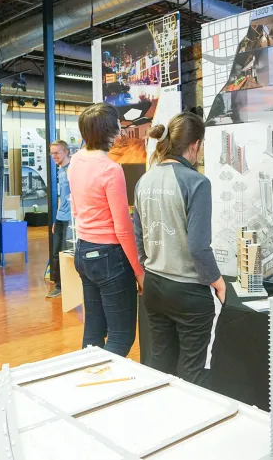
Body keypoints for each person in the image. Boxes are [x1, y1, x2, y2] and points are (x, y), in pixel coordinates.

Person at [133, 113, 226, 387]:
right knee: (194, 371)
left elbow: (139, 236)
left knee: (159, 363)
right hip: (188, 292)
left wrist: (145, 270)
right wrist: (217, 281)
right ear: (195, 144)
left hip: (155, 286)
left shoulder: (144, 180)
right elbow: (198, 246)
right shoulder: (197, 182)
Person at [68, 103, 144, 356]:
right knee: (121, 337)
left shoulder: (75, 161)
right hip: (110, 256)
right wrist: (139, 271)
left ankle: (87, 384)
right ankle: (106, 388)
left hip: (84, 251)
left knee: (93, 330)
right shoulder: (111, 170)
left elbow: (77, 210)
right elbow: (123, 228)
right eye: (118, 127)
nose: (121, 131)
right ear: (110, 132)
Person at [47, 140, 71, 299]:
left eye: (57, 152)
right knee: (56, 253)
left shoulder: (73, 170)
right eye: (52, 153)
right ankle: (58, 284)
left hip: (71, 220)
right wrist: (56, 218)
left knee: (65, 253)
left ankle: (65, 285)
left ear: (66, 152)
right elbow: (62, 197)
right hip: (61, 218)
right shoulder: (61, 171)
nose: (54, 156)